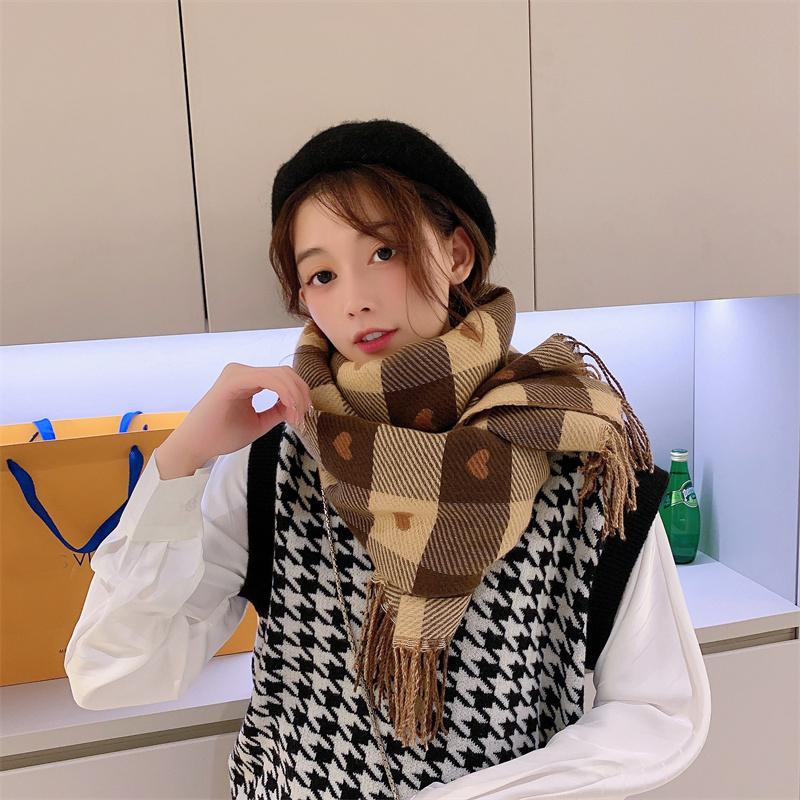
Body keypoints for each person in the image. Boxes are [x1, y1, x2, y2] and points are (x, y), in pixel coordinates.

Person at [65, 119, 711, 800]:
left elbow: (656, 712)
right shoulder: (277, 461)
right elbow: (114, 672)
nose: (355, 300)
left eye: (384, 251)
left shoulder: (585, 457)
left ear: (457, 253)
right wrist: (182, 460)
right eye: (321, 274)